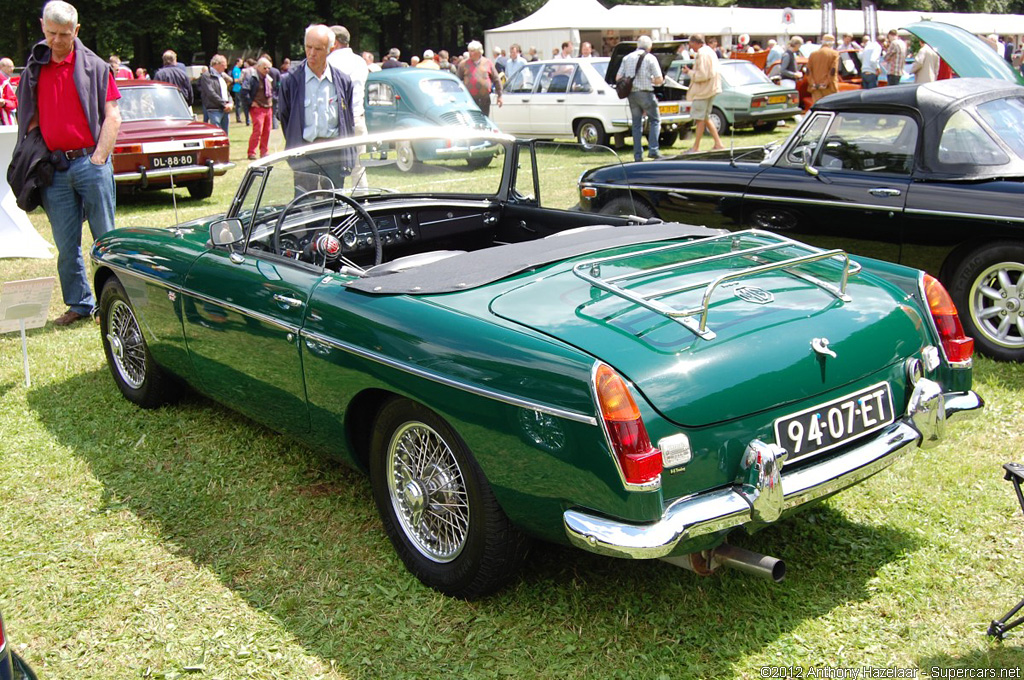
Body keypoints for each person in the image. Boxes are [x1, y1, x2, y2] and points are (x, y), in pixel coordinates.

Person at [13, 0, 121, 326]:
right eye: (51, 33)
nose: (58, 41)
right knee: (66, 243)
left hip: (91, 161)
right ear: (42, 27)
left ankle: (114, 303)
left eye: (64, 34)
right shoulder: (34, 67)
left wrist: (99, 158)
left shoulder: (97, 67)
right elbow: (27, 115)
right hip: (55, 169)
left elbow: (113, 117)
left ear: (77, 30)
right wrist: (39, 152)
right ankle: (79, 304)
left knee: (106, 239)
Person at [278, 24, 354, 151]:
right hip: (303, 154)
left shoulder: (343, 81)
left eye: (318, 49)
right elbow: (285, 118)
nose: (312, 53)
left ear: (331, 48)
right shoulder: (290, 81)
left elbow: (348, 119)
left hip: (335, 154)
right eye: (308, 47)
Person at [327, 24, 369, 188]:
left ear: (335, 43)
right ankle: (362, 202)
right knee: (359, 168)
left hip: (337, 121)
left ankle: (333, 204)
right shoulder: (360, 61)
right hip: (358, 117)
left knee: (332, 168)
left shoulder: (330, 62)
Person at [616, 34, 664, 161]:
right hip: (646, 92)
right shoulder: (650, 58)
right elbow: (659, 79)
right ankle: (653, 150)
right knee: (655, 120)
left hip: (631, 94)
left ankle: (637, 155)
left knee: (636, 124)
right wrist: (652, 80)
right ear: (649, 47)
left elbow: (618, 77)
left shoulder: (627, 58)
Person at [682, 34, 723, 154]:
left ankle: (695, 147)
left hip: (703, 90)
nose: (691, 47)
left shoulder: (702, 53)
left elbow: (703, 75)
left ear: (696, 43)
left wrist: (689, 72)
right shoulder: (709, 51)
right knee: (705, 117)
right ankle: (718, 143)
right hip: (711, 88)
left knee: (699, 118)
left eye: (691, 44)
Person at [456, 40, 502, 116]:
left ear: (479, 52)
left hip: (484, 99)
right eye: (469, 51)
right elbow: (457, 81)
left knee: (484, 120)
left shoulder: (488, 63)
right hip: (470, 99)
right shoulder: (463, 64)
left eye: (473, 51)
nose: (470, 53)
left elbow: (496, 79)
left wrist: (499, 95)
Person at [243, 58, 274, 160]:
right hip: (258, 108)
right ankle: (251, 152)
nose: (267, 70)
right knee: (257, 131)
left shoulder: (268, 77)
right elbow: (244, 91)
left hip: (268, 107)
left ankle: (264, 151)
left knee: (267, 131)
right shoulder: (252, 77)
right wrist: (251, 102)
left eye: (269, 68)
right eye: (265, 67)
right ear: (258, 66)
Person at [200, 54, 232, 132]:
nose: (225, 67)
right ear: (216, 64)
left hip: (225, 109)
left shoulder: (222, 76)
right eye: (223, 65)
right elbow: (211, 93)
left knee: (225, 135)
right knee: (217, 134)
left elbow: (226, 91)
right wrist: (224, 104)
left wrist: (231, 102)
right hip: (214, 109)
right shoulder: (206, 76)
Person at [806, 34, 839, 104]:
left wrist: (812, 83)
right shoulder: (834, 54)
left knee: (818, 107)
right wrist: (825, 83)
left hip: (815, 87)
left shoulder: (813, 54)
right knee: (830, 107)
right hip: (829, 87)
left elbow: (808, 71)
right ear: (832, 43)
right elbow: (833, 71)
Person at [0, 58, 16, 125]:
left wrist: (4, 103)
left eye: (13, 67)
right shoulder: (4, 81)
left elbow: (13, 103)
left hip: (5, 121)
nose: (12, 69)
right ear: (2, 67)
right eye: (10, 67)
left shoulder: (5, 82)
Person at [230, 57, 243, 123]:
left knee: (240, 104)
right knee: (238, 104)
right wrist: (243, 79)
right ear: (237, 62)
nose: (242, 63)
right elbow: (235, 80)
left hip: (239, 88)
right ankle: (238, 118)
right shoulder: (236, 70)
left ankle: (239, 117)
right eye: (241, 62)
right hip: (238, 88)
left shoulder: (238, 69)